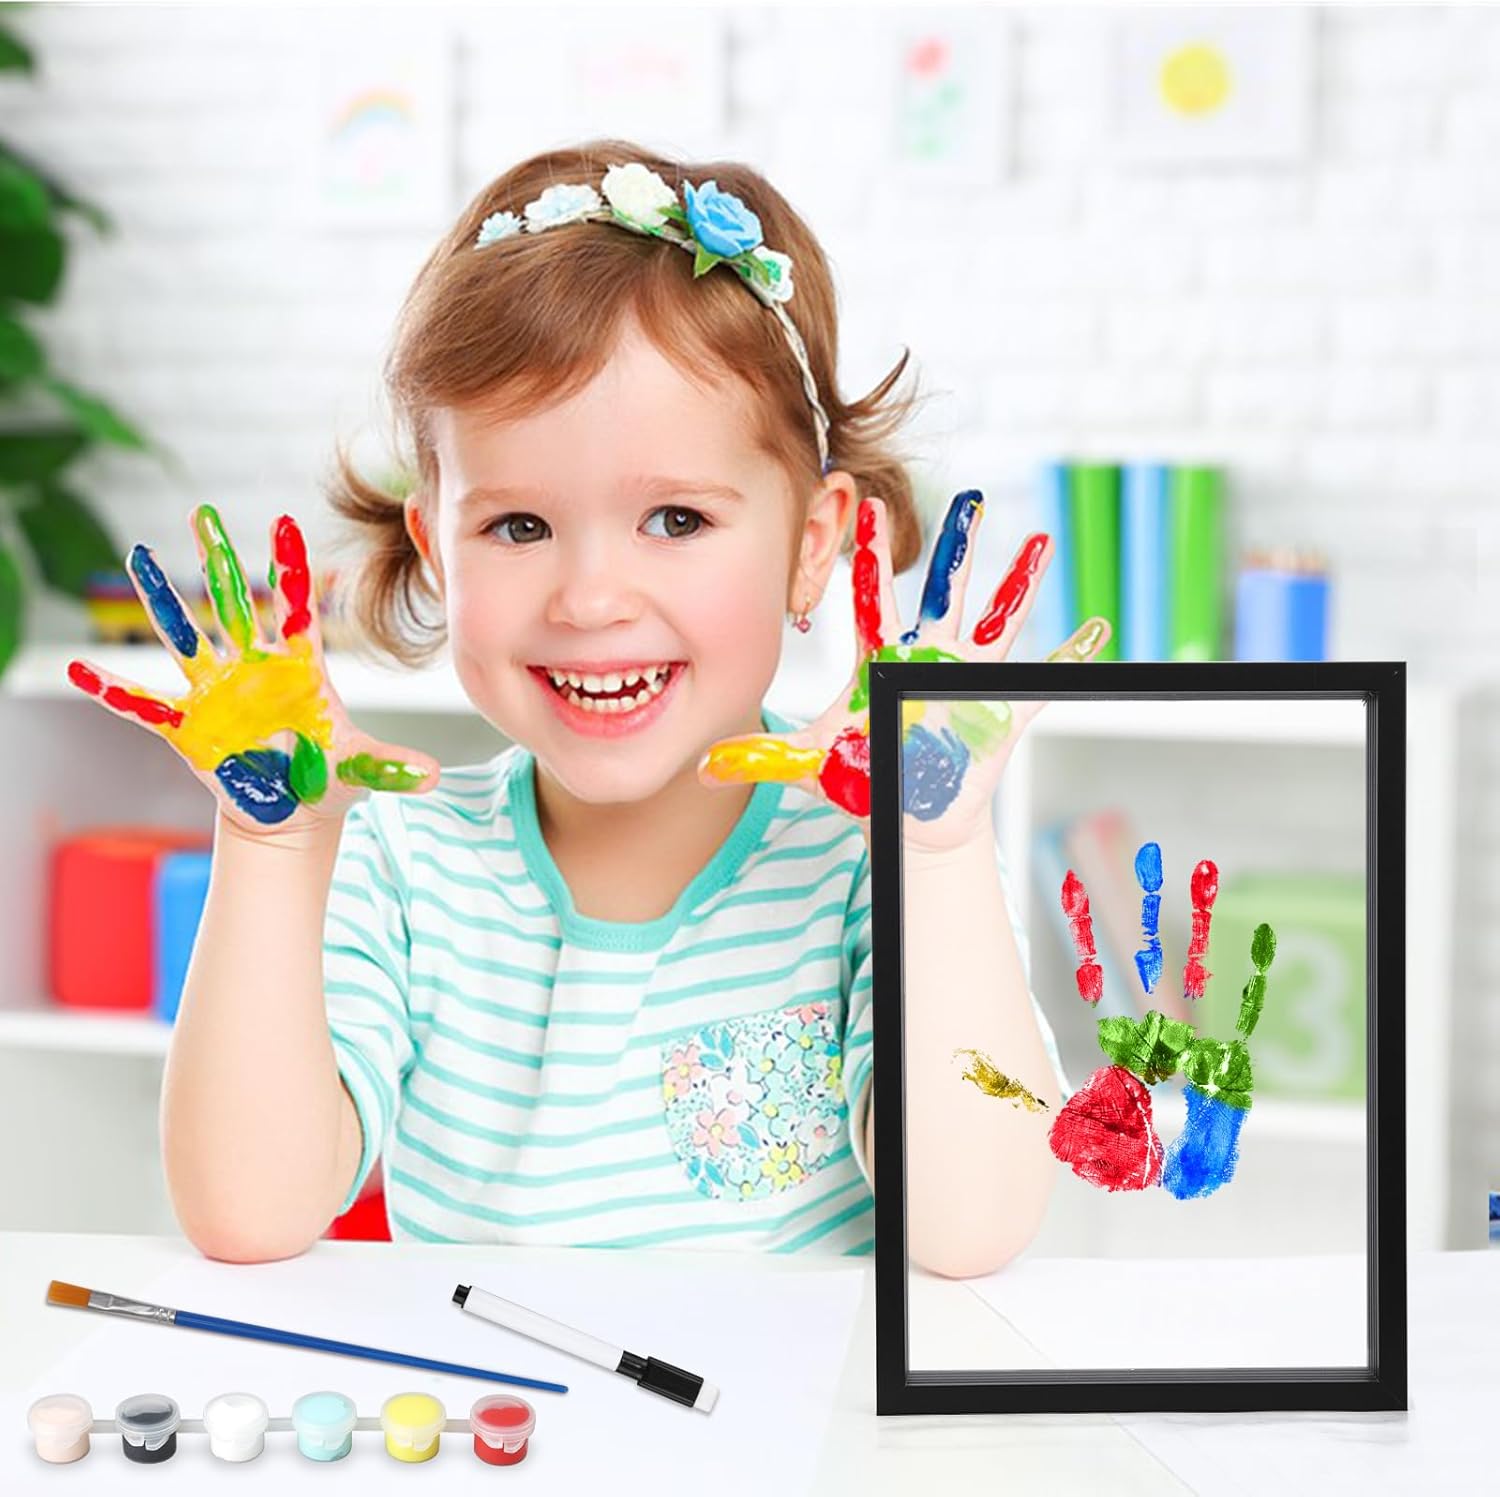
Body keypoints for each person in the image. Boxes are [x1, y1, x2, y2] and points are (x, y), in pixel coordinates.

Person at [69, 142, 1109, 1274]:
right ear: (437, 550)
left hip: (792, 1447)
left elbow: (971, 1233)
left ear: (813, 548)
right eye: (518, 527)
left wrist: (936, 852)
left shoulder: (877, 863)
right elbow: (245, 1215)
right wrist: (267, 850)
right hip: (500, 1438)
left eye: (675, 520)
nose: (592, 599)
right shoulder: (403, 862)